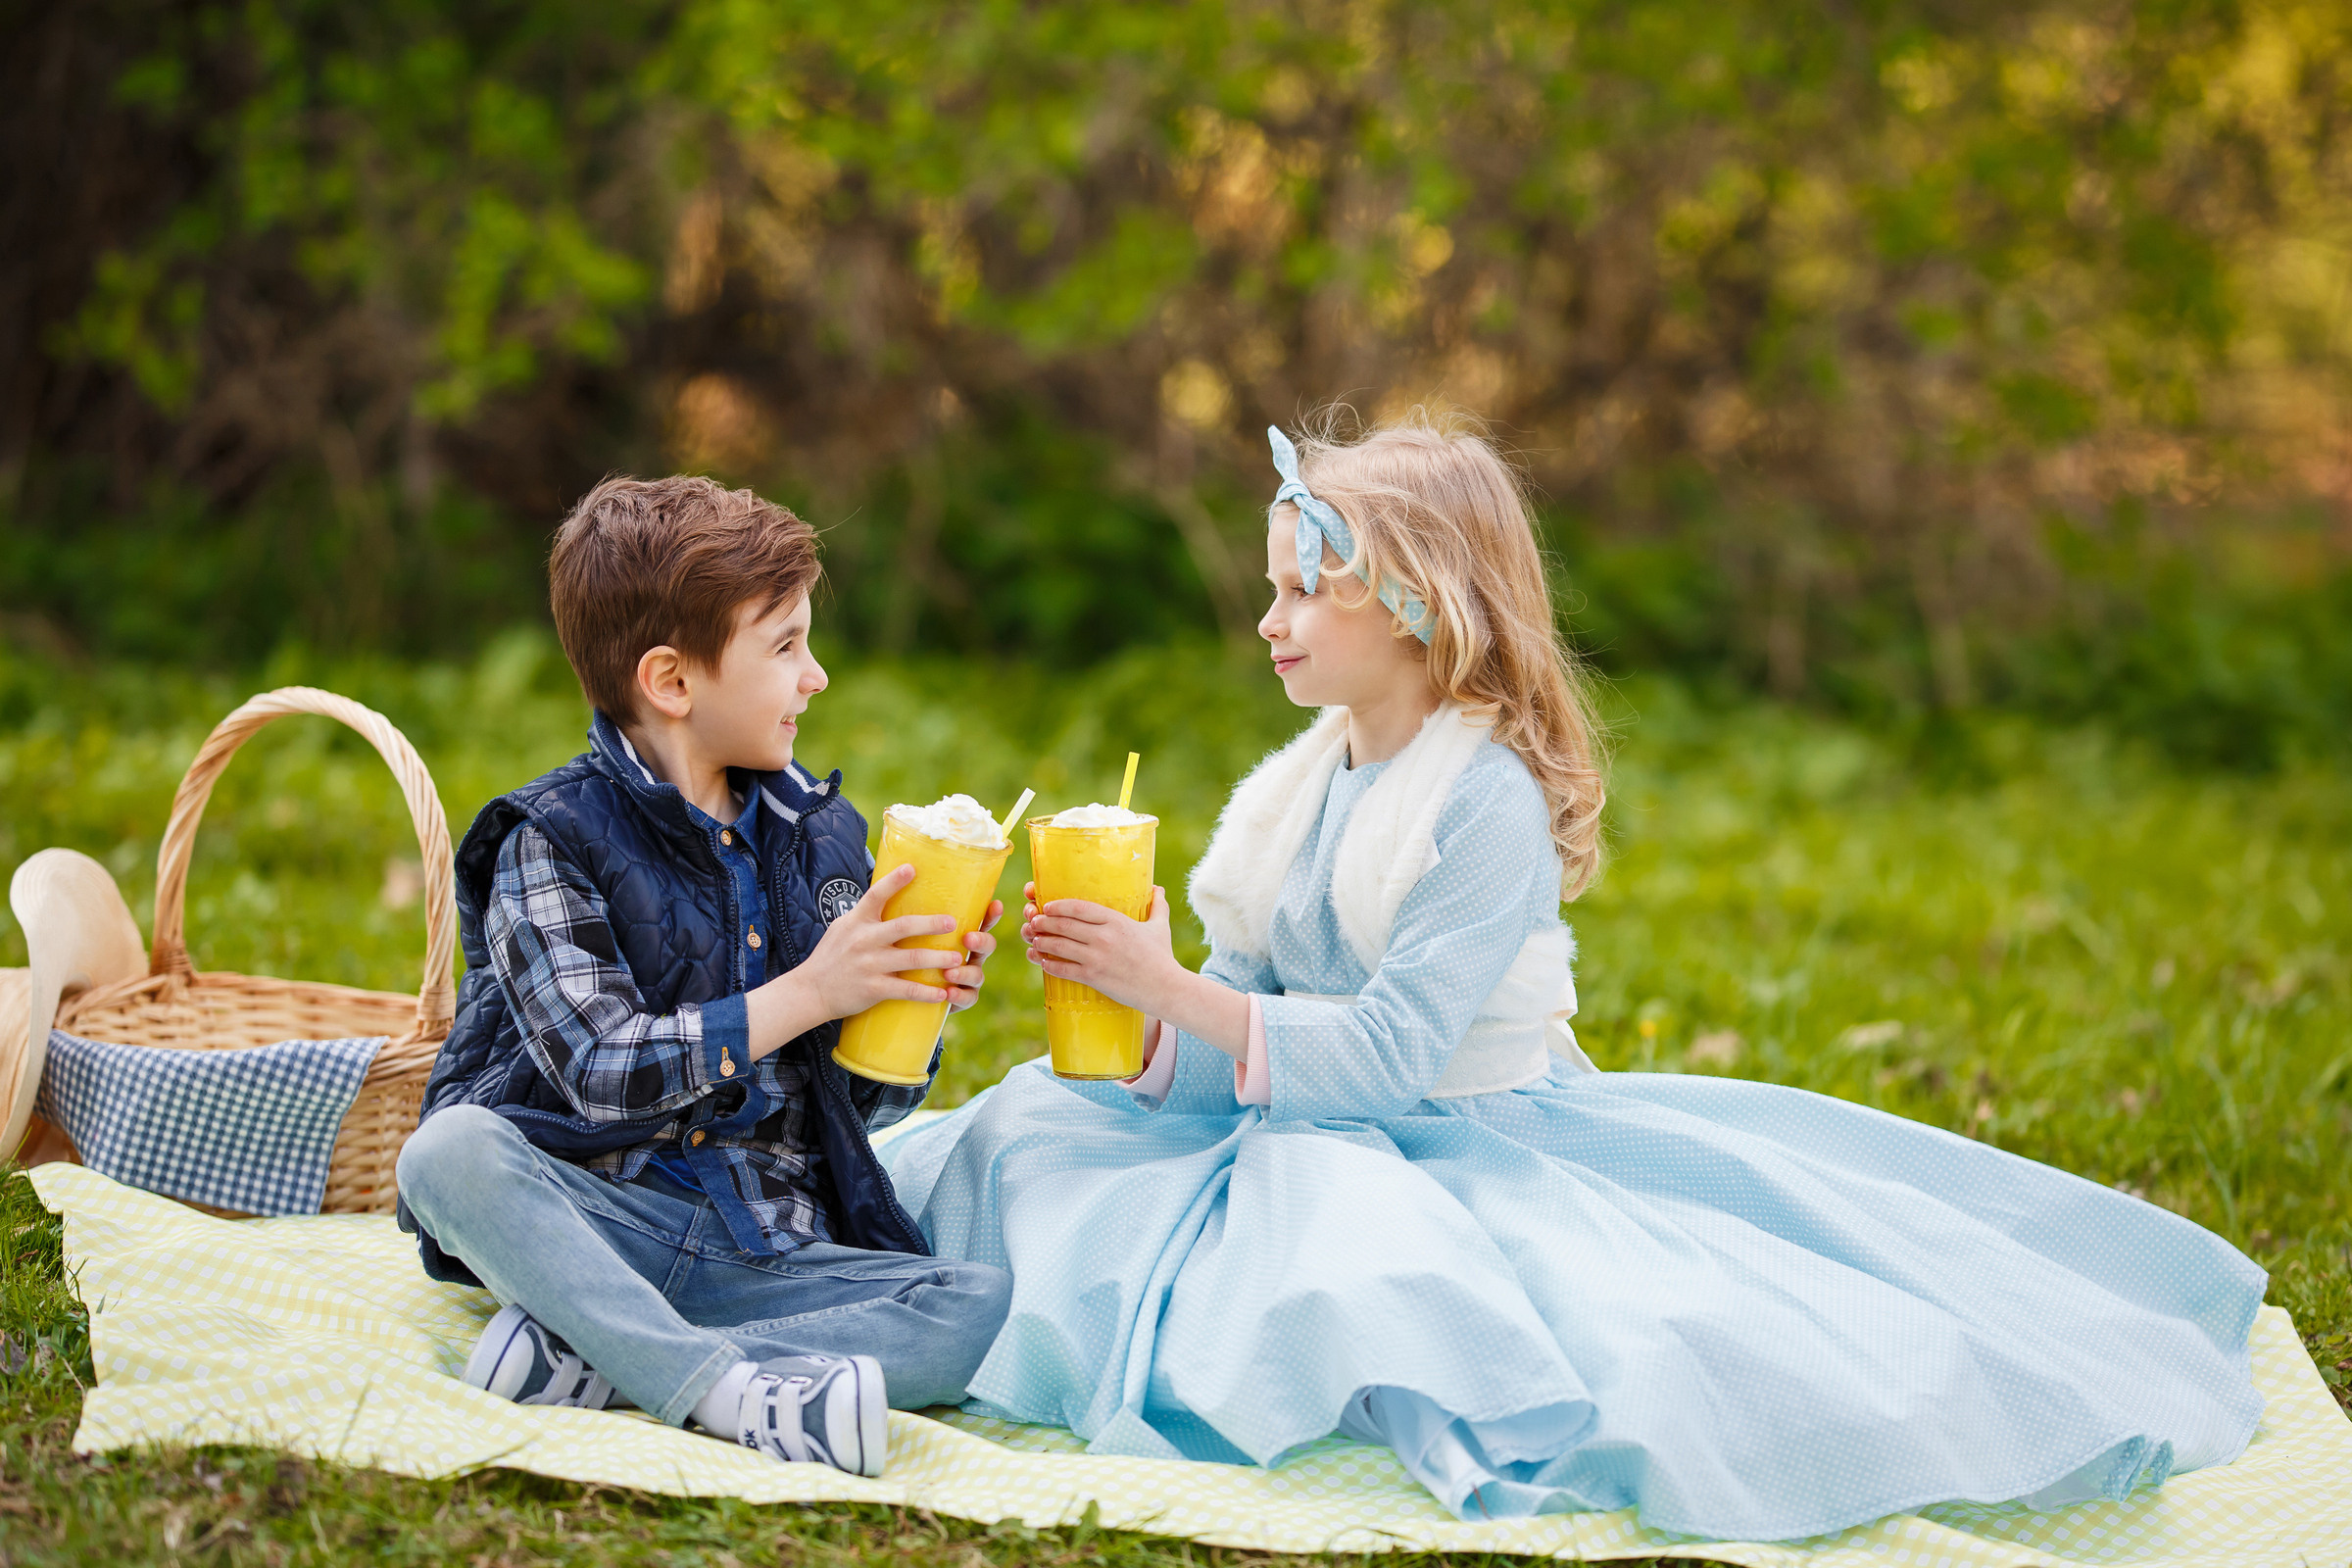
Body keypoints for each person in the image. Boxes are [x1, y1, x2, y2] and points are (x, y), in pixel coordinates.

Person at [878, 416, 2267, 1541]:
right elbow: (1240, 1006)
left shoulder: (1481, 802)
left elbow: (1391, 1060)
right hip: (1293, 1115)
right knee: (1031, 1134)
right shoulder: (1297, 788)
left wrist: (1174, 988)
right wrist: (1134, 1017)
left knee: (1373, 1274)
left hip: (1459, 1134)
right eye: (1272, 588)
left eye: (1303, 590)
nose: (1269, 621)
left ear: (1416, 605)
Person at [398, 475, 1013, 1479]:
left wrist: (905, 1004)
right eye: (785, 647)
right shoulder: (547, 841)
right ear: (672, 682)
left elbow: (852, 1107)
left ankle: (606, 1356)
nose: (816, 677)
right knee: (447, 1154)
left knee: (971, 1303)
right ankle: (730, 1396)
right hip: (600, 1220)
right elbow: (597, 1069)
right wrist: (811, 991)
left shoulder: (821, 837)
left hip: (761, 1248)